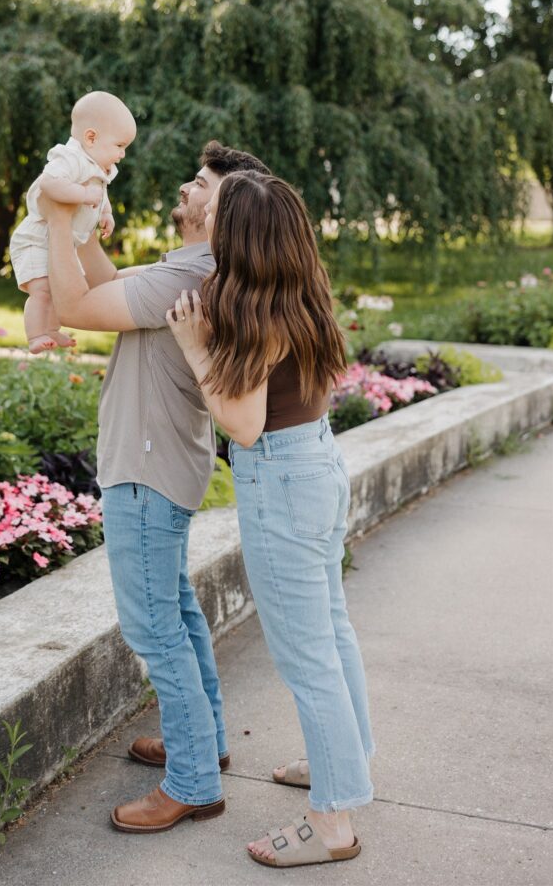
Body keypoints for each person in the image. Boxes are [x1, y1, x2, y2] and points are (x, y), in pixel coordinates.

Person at [44, 140, 270, 832]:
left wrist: (56, 218)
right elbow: (108, 291)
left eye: (200, 183)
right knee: (177, 612)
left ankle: (195, 780)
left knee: (155, 629)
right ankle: (205, 743)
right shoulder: (191, 268)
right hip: (164, 467)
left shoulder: (189, 276)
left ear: (222, 207)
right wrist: (85, 236)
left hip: (144, 473)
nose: (186, 187)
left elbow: (74, 308)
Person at [167, 170, 376, 868]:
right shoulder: (301, 291)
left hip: (282, 478)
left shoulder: (248, 309)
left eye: (218, 211)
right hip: (318, 466)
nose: (206, 214)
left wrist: (196, 349)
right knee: (332, 630)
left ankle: (333, 824)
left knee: (305, 654)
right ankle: (345, 764)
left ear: (243, 238)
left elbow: (245, 426)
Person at [10, 90, 135, 353]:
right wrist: (82, 194)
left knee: (61, 288)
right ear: (91, 137)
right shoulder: (69, 158)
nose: (122, 154)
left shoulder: (99, 167)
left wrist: (106, 213)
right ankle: (35, 335)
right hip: (37, 239)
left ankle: (53, 330)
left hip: (64, 242)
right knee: (42, 290)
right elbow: (49, 183)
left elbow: (101, 195)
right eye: (120, 146)